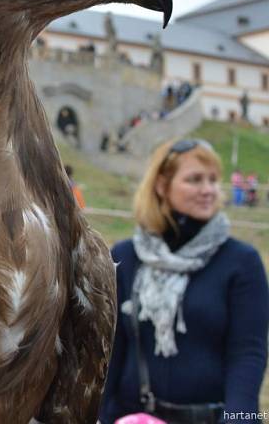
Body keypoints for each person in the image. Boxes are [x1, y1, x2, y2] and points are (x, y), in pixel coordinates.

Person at [100, 138, 268, 424]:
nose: (208, 190)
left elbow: (247, 354)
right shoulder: (126, 257)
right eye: (195, 179)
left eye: (213, 180)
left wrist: (240, 419)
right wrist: (101, 413)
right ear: (161, 186)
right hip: (131, 418)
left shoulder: (241, 262)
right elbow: (113, 348)